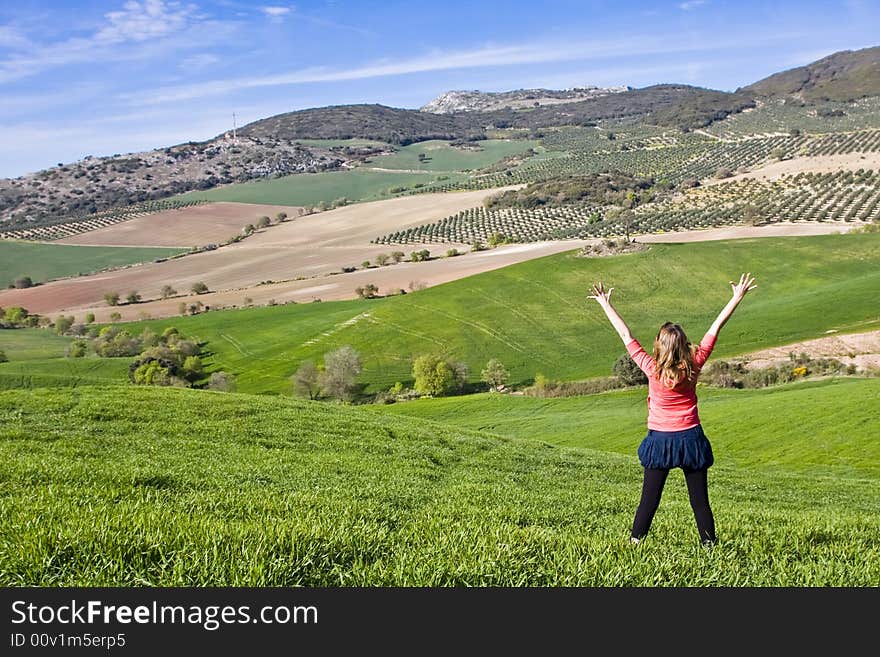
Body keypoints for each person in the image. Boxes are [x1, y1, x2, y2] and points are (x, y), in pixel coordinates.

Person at [588, 273, 758, 546]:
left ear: (659, 345)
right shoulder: (695, 363)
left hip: (660, 440)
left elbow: (625, 334)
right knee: (700, 502)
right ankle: (709, 547)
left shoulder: (651, 368)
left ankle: (635, 544)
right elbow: (715, 328)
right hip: (691, 438)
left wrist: (605, 303)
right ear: (684, 346)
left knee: (649, 500)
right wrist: (736, 297)